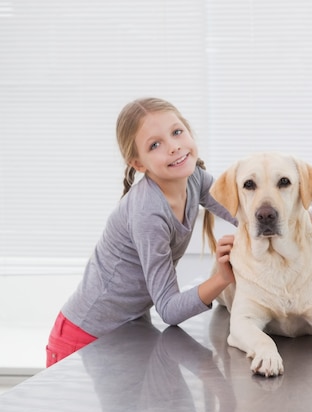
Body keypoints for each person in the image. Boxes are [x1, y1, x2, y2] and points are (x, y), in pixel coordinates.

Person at [46, 97, 237, 367]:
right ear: (139, 164)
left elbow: (244, 216)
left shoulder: (196, 179)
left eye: (177, 132)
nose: (174, 147)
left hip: (129, 327)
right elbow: (169, 309)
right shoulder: (148, 212)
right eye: (155, 144)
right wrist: (221, 278)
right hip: (85, 339)